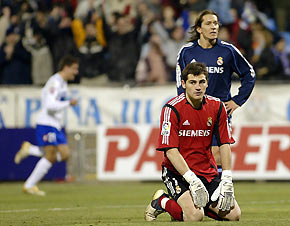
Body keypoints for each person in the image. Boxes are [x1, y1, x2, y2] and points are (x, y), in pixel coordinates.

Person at [145, 62, 241, 222]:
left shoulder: (217, 107)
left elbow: (225, 144)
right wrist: (192, 179)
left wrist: (227, 178)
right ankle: (162, 201)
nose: (198, 87)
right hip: (178, 173)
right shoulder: (171, 109)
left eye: (202, 82)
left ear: (207, 83)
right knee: (195, 217)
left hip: (206, 172)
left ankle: (197, 203)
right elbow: (171, 151)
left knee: (234, 215)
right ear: (183, 84)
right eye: (192, 82)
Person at [176, 9, 256, 173]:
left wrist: (237, 101)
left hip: (219, 111)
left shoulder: (228, 51)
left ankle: (219, 193)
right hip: (194, 111)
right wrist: (184, 107)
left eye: (216, 23)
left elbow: (249, 74)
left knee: (218, 153)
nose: (214, 27)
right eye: (209, 23)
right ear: (199, 29)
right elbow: (180, 83)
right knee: (196, 155)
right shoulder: (186, 51)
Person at [14, 55, 79, 196]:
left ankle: (30, 149)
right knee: (51, 156)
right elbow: (49, 105)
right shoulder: (55, 83)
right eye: (74, 69)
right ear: (66, 68)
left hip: (55, 125)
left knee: (65, 154)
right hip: (46, 123)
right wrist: (69, 103)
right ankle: (29, 185)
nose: (76, 72)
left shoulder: (63, 83)